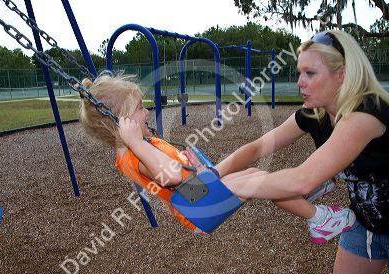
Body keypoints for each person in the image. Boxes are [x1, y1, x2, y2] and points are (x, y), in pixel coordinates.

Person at [216, 30, 389, 274]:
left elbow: (302, 181)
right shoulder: (315, 113)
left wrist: (231, 186)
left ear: (342, 74)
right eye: (300, 72)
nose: (300, 81)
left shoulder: (365, 114)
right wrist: (211, 174)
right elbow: (256, 148)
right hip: (363, 224)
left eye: (310, 73)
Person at [78, 73, 353, 241]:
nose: (147, 112)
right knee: (256, 182)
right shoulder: (135, 152)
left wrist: (189, 162)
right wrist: (137, 142)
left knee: (255, 175)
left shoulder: (140, 143)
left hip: (198, 194)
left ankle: (305, 196)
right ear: (121, 123)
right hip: (197, 209)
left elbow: (178, 169)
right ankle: (319, 219)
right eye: (139, 109)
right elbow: (172, 176)